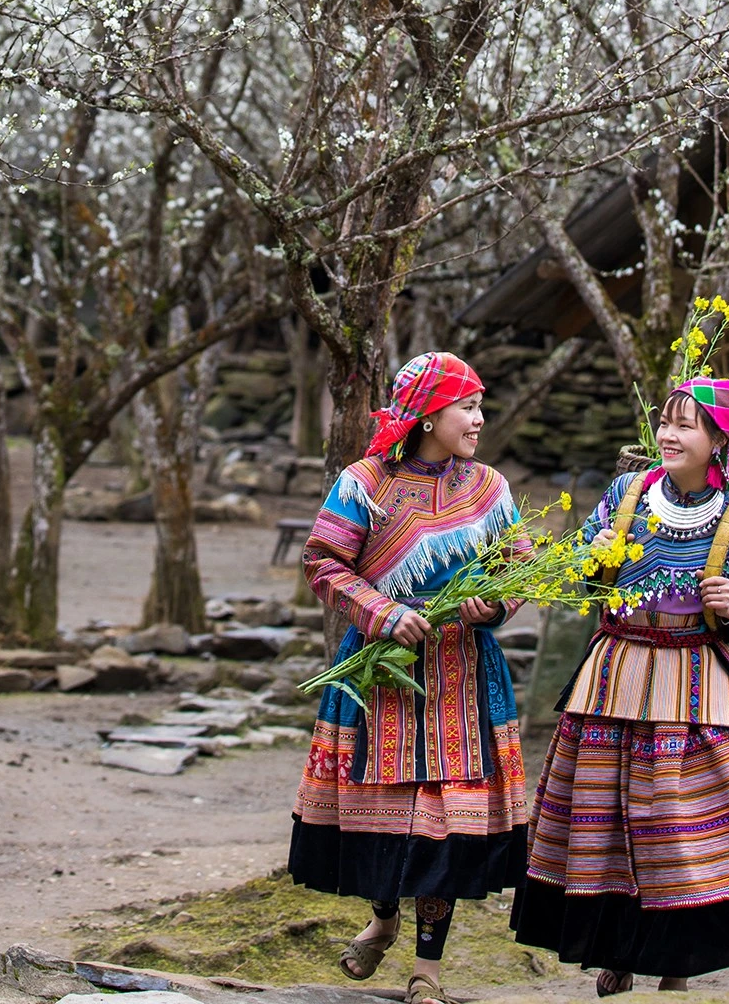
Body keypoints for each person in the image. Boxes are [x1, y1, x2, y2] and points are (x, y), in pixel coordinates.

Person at [511, 377, 729, 996]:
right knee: (607, 815)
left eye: (687, 425)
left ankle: (677, 963)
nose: (669, 434)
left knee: (678, 823)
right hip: (615, 676)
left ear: (721, 440)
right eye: (665, 422)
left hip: (694, 687)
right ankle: (616, 947)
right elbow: (585, 570)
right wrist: (593, 560)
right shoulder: (625, 495)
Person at [289, 352, 528, 1004]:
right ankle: (385, 918)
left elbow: (517, 571)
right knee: (383, 821)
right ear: (427, 415)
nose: (480, 419)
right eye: (468, 407)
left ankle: (428, 968)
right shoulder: (365, 483)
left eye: (481, 406)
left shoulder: (489, 489)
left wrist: (497, 604)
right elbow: (324, 561)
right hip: (385, 680)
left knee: (445, 829)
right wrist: (382, 611)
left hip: (464, 679)